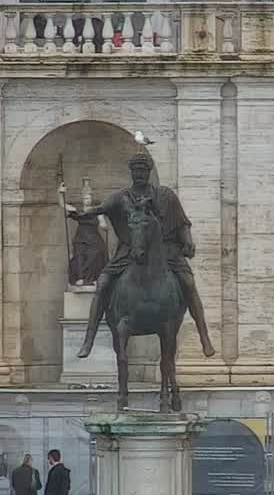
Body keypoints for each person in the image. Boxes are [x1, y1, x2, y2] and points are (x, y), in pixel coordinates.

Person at [70, 151, 216, 360]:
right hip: (130, 251)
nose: (139, 174)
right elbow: (100, 208)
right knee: (102, 284)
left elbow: (182, 223)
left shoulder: (165, 195)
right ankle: (89, 339)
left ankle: (204, 336)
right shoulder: (121, 197)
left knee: (188, 283)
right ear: (131, 172)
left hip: (166, 251)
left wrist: (188, 241)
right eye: (135, 170)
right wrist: (83, 215)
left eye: (143, 170)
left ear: (149, 172)